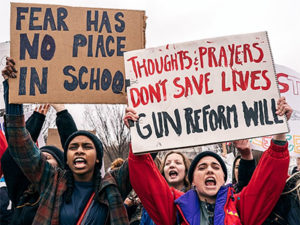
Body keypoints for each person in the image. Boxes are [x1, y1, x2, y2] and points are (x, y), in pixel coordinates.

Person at [2, 57, 132, 224]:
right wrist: (13, 92)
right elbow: (19, 142)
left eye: (87, 147)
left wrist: (139, 124)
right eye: (72, 147)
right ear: (67, 159)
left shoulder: (113, 183)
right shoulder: (51, 181)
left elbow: (142, 159)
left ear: (98, 157)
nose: (79, 150)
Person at [127, 97, 292, 225]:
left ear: (223, 178)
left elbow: (267, 183)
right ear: (192, 181)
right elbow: (147, 181)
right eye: (202, 167)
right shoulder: (176, 207)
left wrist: (280, 131)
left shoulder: (240, 206)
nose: (209, 170)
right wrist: (138, 133)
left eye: (215, 167)